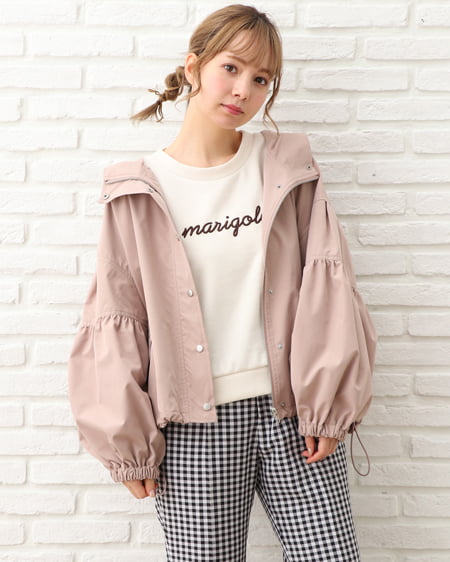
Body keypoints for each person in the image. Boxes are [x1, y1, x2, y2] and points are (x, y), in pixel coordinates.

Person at [68, 4, 376, 561]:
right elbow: (118, 314)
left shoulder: (286, 169)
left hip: (294, 416)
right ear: (194, 67)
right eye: (231, 68)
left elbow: (328, 290)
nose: (243, 90)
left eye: (261, 79)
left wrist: (328, 406)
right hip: (192, 429)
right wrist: (127, 444)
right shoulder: (137, 190)